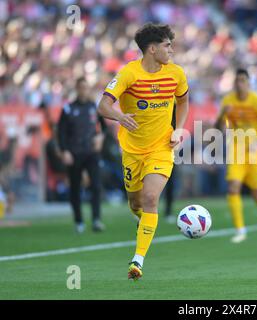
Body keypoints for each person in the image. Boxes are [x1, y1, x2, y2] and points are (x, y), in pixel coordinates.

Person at [97, 23, 189, 280]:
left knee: (150, 199)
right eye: (167, 45)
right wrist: (119, 116)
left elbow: (183, 101)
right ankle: (144, 222)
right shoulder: (129, 73)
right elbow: (103, 105)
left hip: (161, 147)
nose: (171, 49)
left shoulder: (176, 74)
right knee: (136, 203)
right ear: (152, 49)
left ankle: (137, 261)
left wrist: (178, 129)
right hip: (132, 151)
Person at [214, 68, 257, 244]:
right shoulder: (228, 101)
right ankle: (240, 230)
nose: (240, 84)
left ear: (248, 83)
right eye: (237, 80)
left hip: (256, 151)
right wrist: (222, 113)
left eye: (243, 80)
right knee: (233, 186)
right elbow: (218, 128)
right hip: (236, 150)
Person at [58, 77, 107, 233]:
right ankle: (78, 221)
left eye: (86, 87)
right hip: (74, 153)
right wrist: (64, 150)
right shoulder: (68, 109)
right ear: (77, 89)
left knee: (96, 185)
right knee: (75, 187)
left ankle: (96, 220)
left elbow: (104, 128)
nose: (84, 90)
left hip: (91, 152)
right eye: (81, 87)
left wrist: (100, 137)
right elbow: (61, 133)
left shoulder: (94, 107)